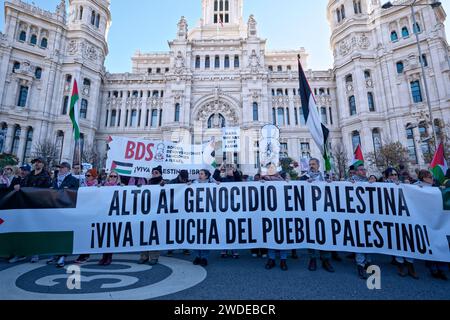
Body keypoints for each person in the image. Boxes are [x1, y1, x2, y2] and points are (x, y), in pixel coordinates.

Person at [9, 158, 51, 264]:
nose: (36, 164)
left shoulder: (46, 176)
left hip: (37, 206)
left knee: (35, 229)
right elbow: (23, 185)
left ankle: (34, 253)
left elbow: (46, 190)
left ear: (42, 164)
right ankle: (20, 253)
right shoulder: (29, 175)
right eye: (35, 162)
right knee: (22, 228)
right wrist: (19, 186)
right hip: (25, 206)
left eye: (39, 162)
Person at [299, 158, 335, 273]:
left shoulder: (325, 176)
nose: (311, 166)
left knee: (325, 234)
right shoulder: (304, 176)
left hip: (324, 210)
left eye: (313, 164)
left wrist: (332, 183)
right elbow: (296, 187)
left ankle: (326, 260)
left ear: (318, 165)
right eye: (310, 164)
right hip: (310, 211)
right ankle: (312, 259)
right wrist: (304, 184)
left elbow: (336, 188)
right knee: (312, 234)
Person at [384, 167, 419, 279]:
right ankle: (400, 265)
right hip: (392, 218)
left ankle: (410, 266)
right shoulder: (382, 185)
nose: (394, 176)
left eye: (395, 174)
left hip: (405, 218)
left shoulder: (404, 184)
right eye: (391, 175)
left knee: (408, 241)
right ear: (387, 176)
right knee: (397, 241)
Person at [415, 170, 448, 280]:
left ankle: (441, 268)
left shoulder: (436, 187)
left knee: (439, 242)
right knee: (430, 243)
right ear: (424, 178)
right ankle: (433, 267)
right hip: (424, 220)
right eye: (430, 177)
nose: (432, 178)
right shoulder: (416, 187)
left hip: (437, 220)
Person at [46, 162, 80, 268]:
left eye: (62, 168)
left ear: (68, 169)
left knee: (64, 232)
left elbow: (76, 194)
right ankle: (55, 253)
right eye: (59, 167)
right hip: (54, 209)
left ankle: (62, 255)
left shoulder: (73, 180)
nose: (60, 169)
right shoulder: (54, 179)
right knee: (54, 232)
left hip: (66, 210)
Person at [263, 163, 289, 271]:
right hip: (269, 213)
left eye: (272, 168)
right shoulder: (264, 179)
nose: (270, 169)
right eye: (269, 168)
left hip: (283, 212)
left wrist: (288, 183)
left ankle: (283, 260)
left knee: (283, 236)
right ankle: (271, 259)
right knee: (271, 236)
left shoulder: (282, 178)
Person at [349, 164, 373, 279]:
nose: (363, 171)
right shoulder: (351, 181)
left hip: (369, 215)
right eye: (361, 170)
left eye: (364, 169)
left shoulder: (369, 181)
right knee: (360, 240)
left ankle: (368, 261)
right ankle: (360, 264)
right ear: (356, 172)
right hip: (357, 216)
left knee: (369, 238)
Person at [214, 163, 242, 259]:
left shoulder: (237, 180)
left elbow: (239, 177)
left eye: (230, 170)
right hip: (224, 208)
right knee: (224, 229)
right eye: (227, 170)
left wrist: (235, 169)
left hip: (234, 208)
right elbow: (215, 177)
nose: (228, 171)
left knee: (234, 228)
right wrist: (219, 168)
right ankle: (224, 249)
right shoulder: (222, 180)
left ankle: (234, 250)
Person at [139, 166, 165, 265]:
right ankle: (144, 256)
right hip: (146, 212)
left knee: (154, 235)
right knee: (144, 234)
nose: (154, 173)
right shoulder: (148, 182)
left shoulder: (163, 182)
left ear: (160, 173)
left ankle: (154, 257)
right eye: (153, 172)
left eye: (157, 172)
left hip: (157, 213)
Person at [97, 170, 123, 266]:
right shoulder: (103, 186)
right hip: (103, 214)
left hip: (114, 214)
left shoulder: (121, 187)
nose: (112, 178)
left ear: (117, 178)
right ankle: (104, 256)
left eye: (114, 176)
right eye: (111, 176)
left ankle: (109, 257)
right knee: (104, 235)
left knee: (111, 236)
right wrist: (97, 188)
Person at [74, 169, 100, 264]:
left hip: (93, 214)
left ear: (94, 177)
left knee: (89, 235)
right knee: (83, 233)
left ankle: (86, 255)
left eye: (88, 175)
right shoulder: (82, 185)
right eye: (86, 175)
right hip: (83, 213)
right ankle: (83, 253)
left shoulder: (98, 186)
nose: (86, 177)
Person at [191, 169, 216, 267]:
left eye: (201, 174)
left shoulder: (212, 183)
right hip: (196, 214)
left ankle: (205, 257)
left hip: (207, 214)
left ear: (206, 176)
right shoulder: (194, 183)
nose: (199, 175)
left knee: (206, 236)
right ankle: (197, 256)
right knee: (196, 235)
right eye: (199, 174)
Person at [166, 170, 191, 257]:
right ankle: (170, 249)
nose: (184, 180)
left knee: (184, 228)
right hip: (174, 209)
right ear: (179, 176)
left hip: (184, 210)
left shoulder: (189, 182)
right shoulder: (172, 182)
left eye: (185, 179)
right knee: (172, 229)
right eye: (183, 179)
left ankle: (185, 248)